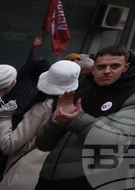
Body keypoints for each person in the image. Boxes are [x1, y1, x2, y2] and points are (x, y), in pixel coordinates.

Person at [35, 45, 135, 190]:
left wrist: (76, 119)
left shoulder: (133, 95)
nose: (107, 71)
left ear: (126, 67)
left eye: (114, 66)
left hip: (88, 180)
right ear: (93, 69)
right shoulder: (79, 91)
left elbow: (117, 142)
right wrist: (56, 123)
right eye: (101, 67)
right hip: (49, 176)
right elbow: (42, 144)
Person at [0, 60, 79, 190]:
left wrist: (4, 117)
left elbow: (9, 145)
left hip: (20, 177)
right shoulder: (75, 106)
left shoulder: (43, 108)